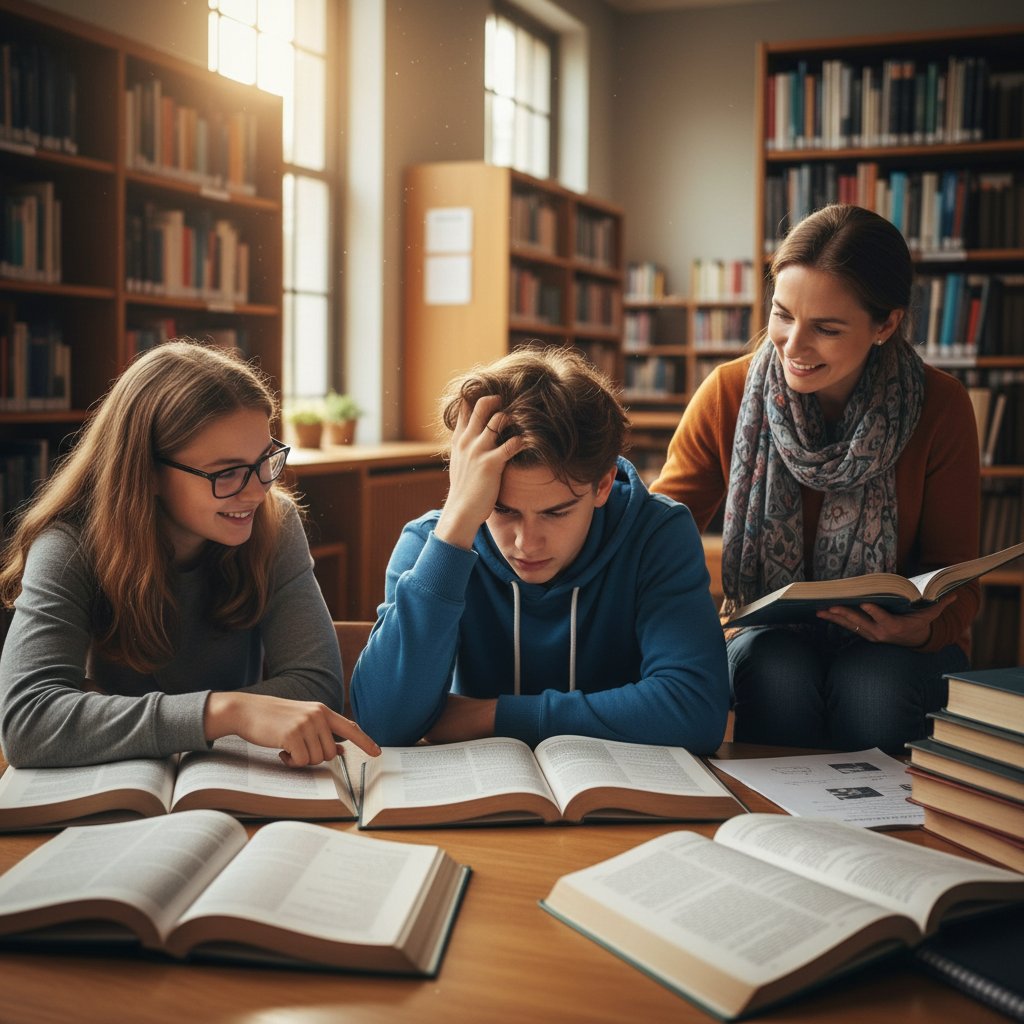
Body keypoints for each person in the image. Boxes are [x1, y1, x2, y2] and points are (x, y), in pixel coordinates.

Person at [651, 204, 979, 754]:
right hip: (769, 637)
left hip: (899, 645)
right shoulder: (729, 393)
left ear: (886, 324)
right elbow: (655, 536)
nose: (793, 347)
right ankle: (778, 835)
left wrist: (916, 630)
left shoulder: (941, 406)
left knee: (871, 685)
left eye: (826, 328)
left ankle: (880, 835)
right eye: (782, 314)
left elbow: (959, 584)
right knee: (774, 668)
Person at [0, 341, 380, 768]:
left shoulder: (275, 524)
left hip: (228, 786)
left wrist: (103, 717)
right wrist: (226, 712)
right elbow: (27, 723)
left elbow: (316, 688)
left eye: (264, 461)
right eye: (227, 472)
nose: (257, 491)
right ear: (147, 472)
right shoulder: (68, 548)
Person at [350, 346, 729, 751]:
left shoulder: (657, 533)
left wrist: (491, 716)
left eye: (556, 513)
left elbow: (696, 711)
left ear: (603, 484)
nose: (525, 543)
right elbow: (381, 725)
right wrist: (456, 527)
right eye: (502, 510)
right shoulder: (432, 545)